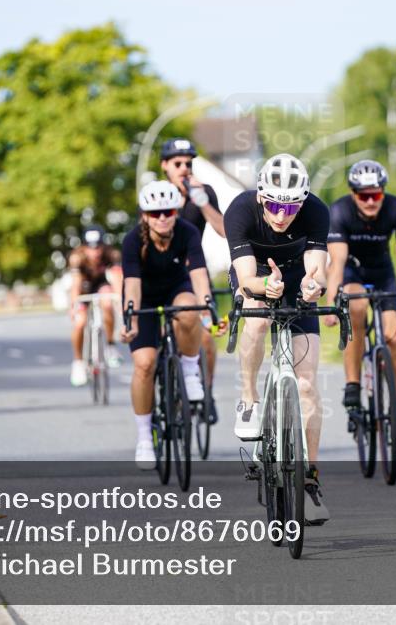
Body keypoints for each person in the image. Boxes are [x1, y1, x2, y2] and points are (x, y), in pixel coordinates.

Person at [224, 153, 331, 524]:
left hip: (297, 285)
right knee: (254, 323)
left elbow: (317, 268)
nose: (282, 215)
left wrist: (314, 284)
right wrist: (264, 286)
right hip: (257, 279)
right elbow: (245, 278)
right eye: (273, 205)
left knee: (306, 384)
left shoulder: (317, 211)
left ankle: (310, 479)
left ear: (302, 201)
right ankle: (249, 398)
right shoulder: (239, 211)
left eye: (290, 207)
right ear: (259, 198)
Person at [324, 160, 396, 443]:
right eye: (364, 196)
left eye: (376, 195)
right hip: (351, 271)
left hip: (382, 272)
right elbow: (336, 262)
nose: (371, 201)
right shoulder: (339, 211)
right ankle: (352, 384)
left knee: (393, 338)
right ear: (353, 194)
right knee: (357, 306)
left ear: (383, 193)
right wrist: (331, 306)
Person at [121, 181, 213, 469]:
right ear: (144, 215)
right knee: (145, 364)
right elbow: (132, 286)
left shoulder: (188, 232)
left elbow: (199, 276)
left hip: (177, 288)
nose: (162, 217)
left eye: (168, 211)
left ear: (176, 211)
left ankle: (188, 370)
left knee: (189, 311)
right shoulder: (133, 240)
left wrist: (208, 312)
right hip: (145, 296)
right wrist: (132, 320)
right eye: (155, 212)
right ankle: (144, 438)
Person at [160, 138, 225, 421]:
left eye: (189, 163)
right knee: (165, 335)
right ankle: (166, 388)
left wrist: (200, 200)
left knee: (207, 340)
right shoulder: (158, 195)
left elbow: (223, 229)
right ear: (165, 167)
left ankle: (206, 393)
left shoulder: (204, 191)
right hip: (163, 275)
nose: (184, 168)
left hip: (196, 274)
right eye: (178, 164)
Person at [68, 225, 123, 386]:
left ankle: (111, 345)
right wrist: (74, 306)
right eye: (91, 248)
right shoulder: (77, 258)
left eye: (98, 247)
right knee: (80, 323)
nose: (96, 252)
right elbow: (76, 285)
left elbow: (117, 278)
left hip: (101, 284)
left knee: (107, 303)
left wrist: (119, 301)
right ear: (84, 247)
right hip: (84, 286)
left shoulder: (111, 254)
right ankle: (78, 362)